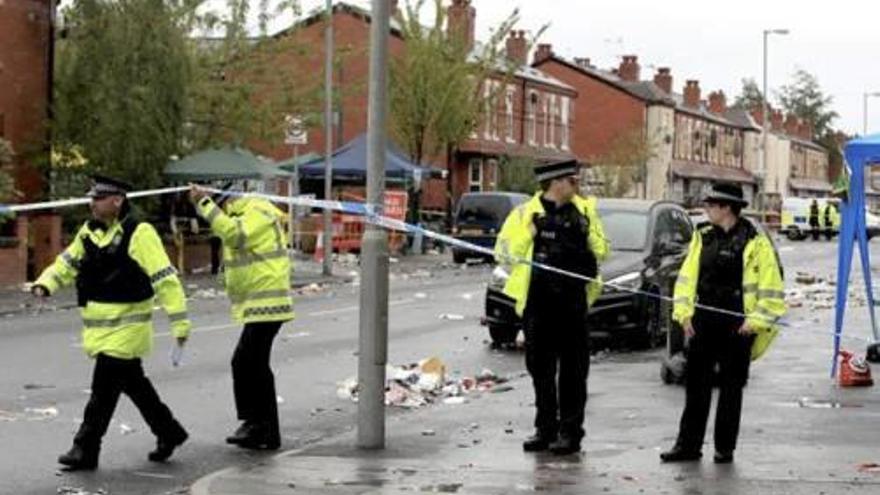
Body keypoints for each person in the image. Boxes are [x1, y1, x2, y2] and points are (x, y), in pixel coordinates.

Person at [32, 175, 191, 470]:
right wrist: (45, 284)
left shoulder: (139, 233)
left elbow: (164, 279)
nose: (92, 203)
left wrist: (179, 323)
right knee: (135, 386)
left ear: (117, 200)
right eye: (91, 197)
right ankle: (170, 432)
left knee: (102, 391)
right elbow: (66, 263)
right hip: (100, 331)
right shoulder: (89, 232)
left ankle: (85, 448)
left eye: (98, 198)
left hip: (127, 330)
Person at [661, 182, 785, 464]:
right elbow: (686, 279)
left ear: (726, 208)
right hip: (704, 322)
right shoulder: (702, 236)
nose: (706, 209)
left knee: (731, 389)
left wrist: (755, 322)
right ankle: (688, 446)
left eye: (710, 205)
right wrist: (684, 314)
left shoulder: (756, 242)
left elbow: (772, 291)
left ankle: (724, 448)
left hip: (738, 326)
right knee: (696, 387)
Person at [494, 159, 609, 455]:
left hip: (572, 304)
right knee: (541, 371)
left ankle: (570, 433)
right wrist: (530, 232)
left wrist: (587, 233)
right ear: (557, 182)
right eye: (573, 180)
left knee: (573, 373)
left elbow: (602, 252)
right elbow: (504, 255)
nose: (577, 185)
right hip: (538, 303)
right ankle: (544, 429)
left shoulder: (584, 212)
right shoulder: (524, 214)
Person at [190, 183, 293, 450]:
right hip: (259, 301)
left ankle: (262, 429)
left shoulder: (257, 210)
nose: (221, 211)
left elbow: (235, 236)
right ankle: (259, 427)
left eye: (220, 205)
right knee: (250, 363)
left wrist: (204, 205)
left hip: (267, 300)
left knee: (248, 363)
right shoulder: (245, 212)